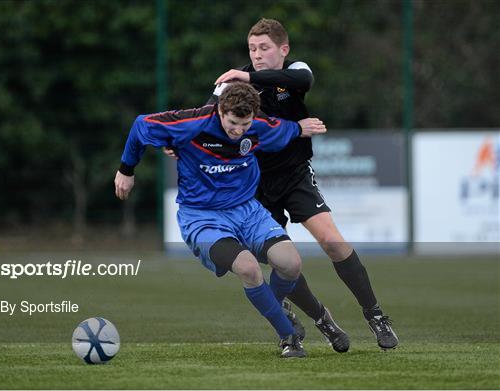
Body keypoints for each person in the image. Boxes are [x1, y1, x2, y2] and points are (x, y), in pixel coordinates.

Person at [209, 18, 399, 350]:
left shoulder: (293, 71)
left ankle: (375, 315)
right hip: (253, 185)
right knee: (282, 261)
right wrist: (176, 140)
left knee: (333, 242)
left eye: (264, 48)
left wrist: (249, 77)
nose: (256, 55)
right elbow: (208, 117)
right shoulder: (232, 84)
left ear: (283, 49)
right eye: (252, 49)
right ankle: (322, 319)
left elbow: (301, 78)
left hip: (295, 175)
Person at [114, 82, 341, 358]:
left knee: (291, 263)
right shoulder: (191, 123)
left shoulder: (259, 127)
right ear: (220, 110)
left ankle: (275, 306)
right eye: (233, 123)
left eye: (244, 125)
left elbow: (286, 129)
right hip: (201, 216)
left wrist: (300, 126)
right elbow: (141, 125)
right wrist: (126, 170)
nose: (238, 131)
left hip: (247, 211)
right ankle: (288, 336)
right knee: (248, 268)